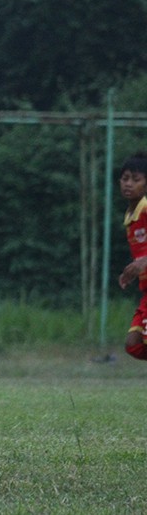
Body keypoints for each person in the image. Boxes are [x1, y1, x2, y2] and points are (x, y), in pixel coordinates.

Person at [118, 151, 147, 361]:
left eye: (136, 180)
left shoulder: (145, 208)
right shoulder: (130, 215)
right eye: (125, 178)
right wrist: (132, 271)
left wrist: (144, 262)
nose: (129, 184)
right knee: (134, 344)